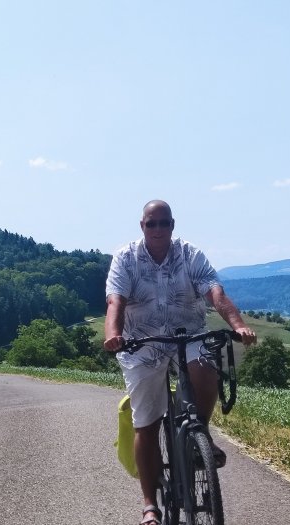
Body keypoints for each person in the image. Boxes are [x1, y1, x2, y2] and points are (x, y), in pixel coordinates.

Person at [103, 199, 256, 525]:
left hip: (187, 334)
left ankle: (196, 437)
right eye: (151, 223)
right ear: (142, 226)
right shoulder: (126, 258)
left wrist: (237, 324)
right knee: (146, 421)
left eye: (164, 223)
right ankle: (150, 506)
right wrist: (114, 334)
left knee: (205, 369)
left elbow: (215, 292)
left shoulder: (190, 255)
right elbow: (116, 300)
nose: (158, 229)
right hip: (141, 341)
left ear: (173, 225)